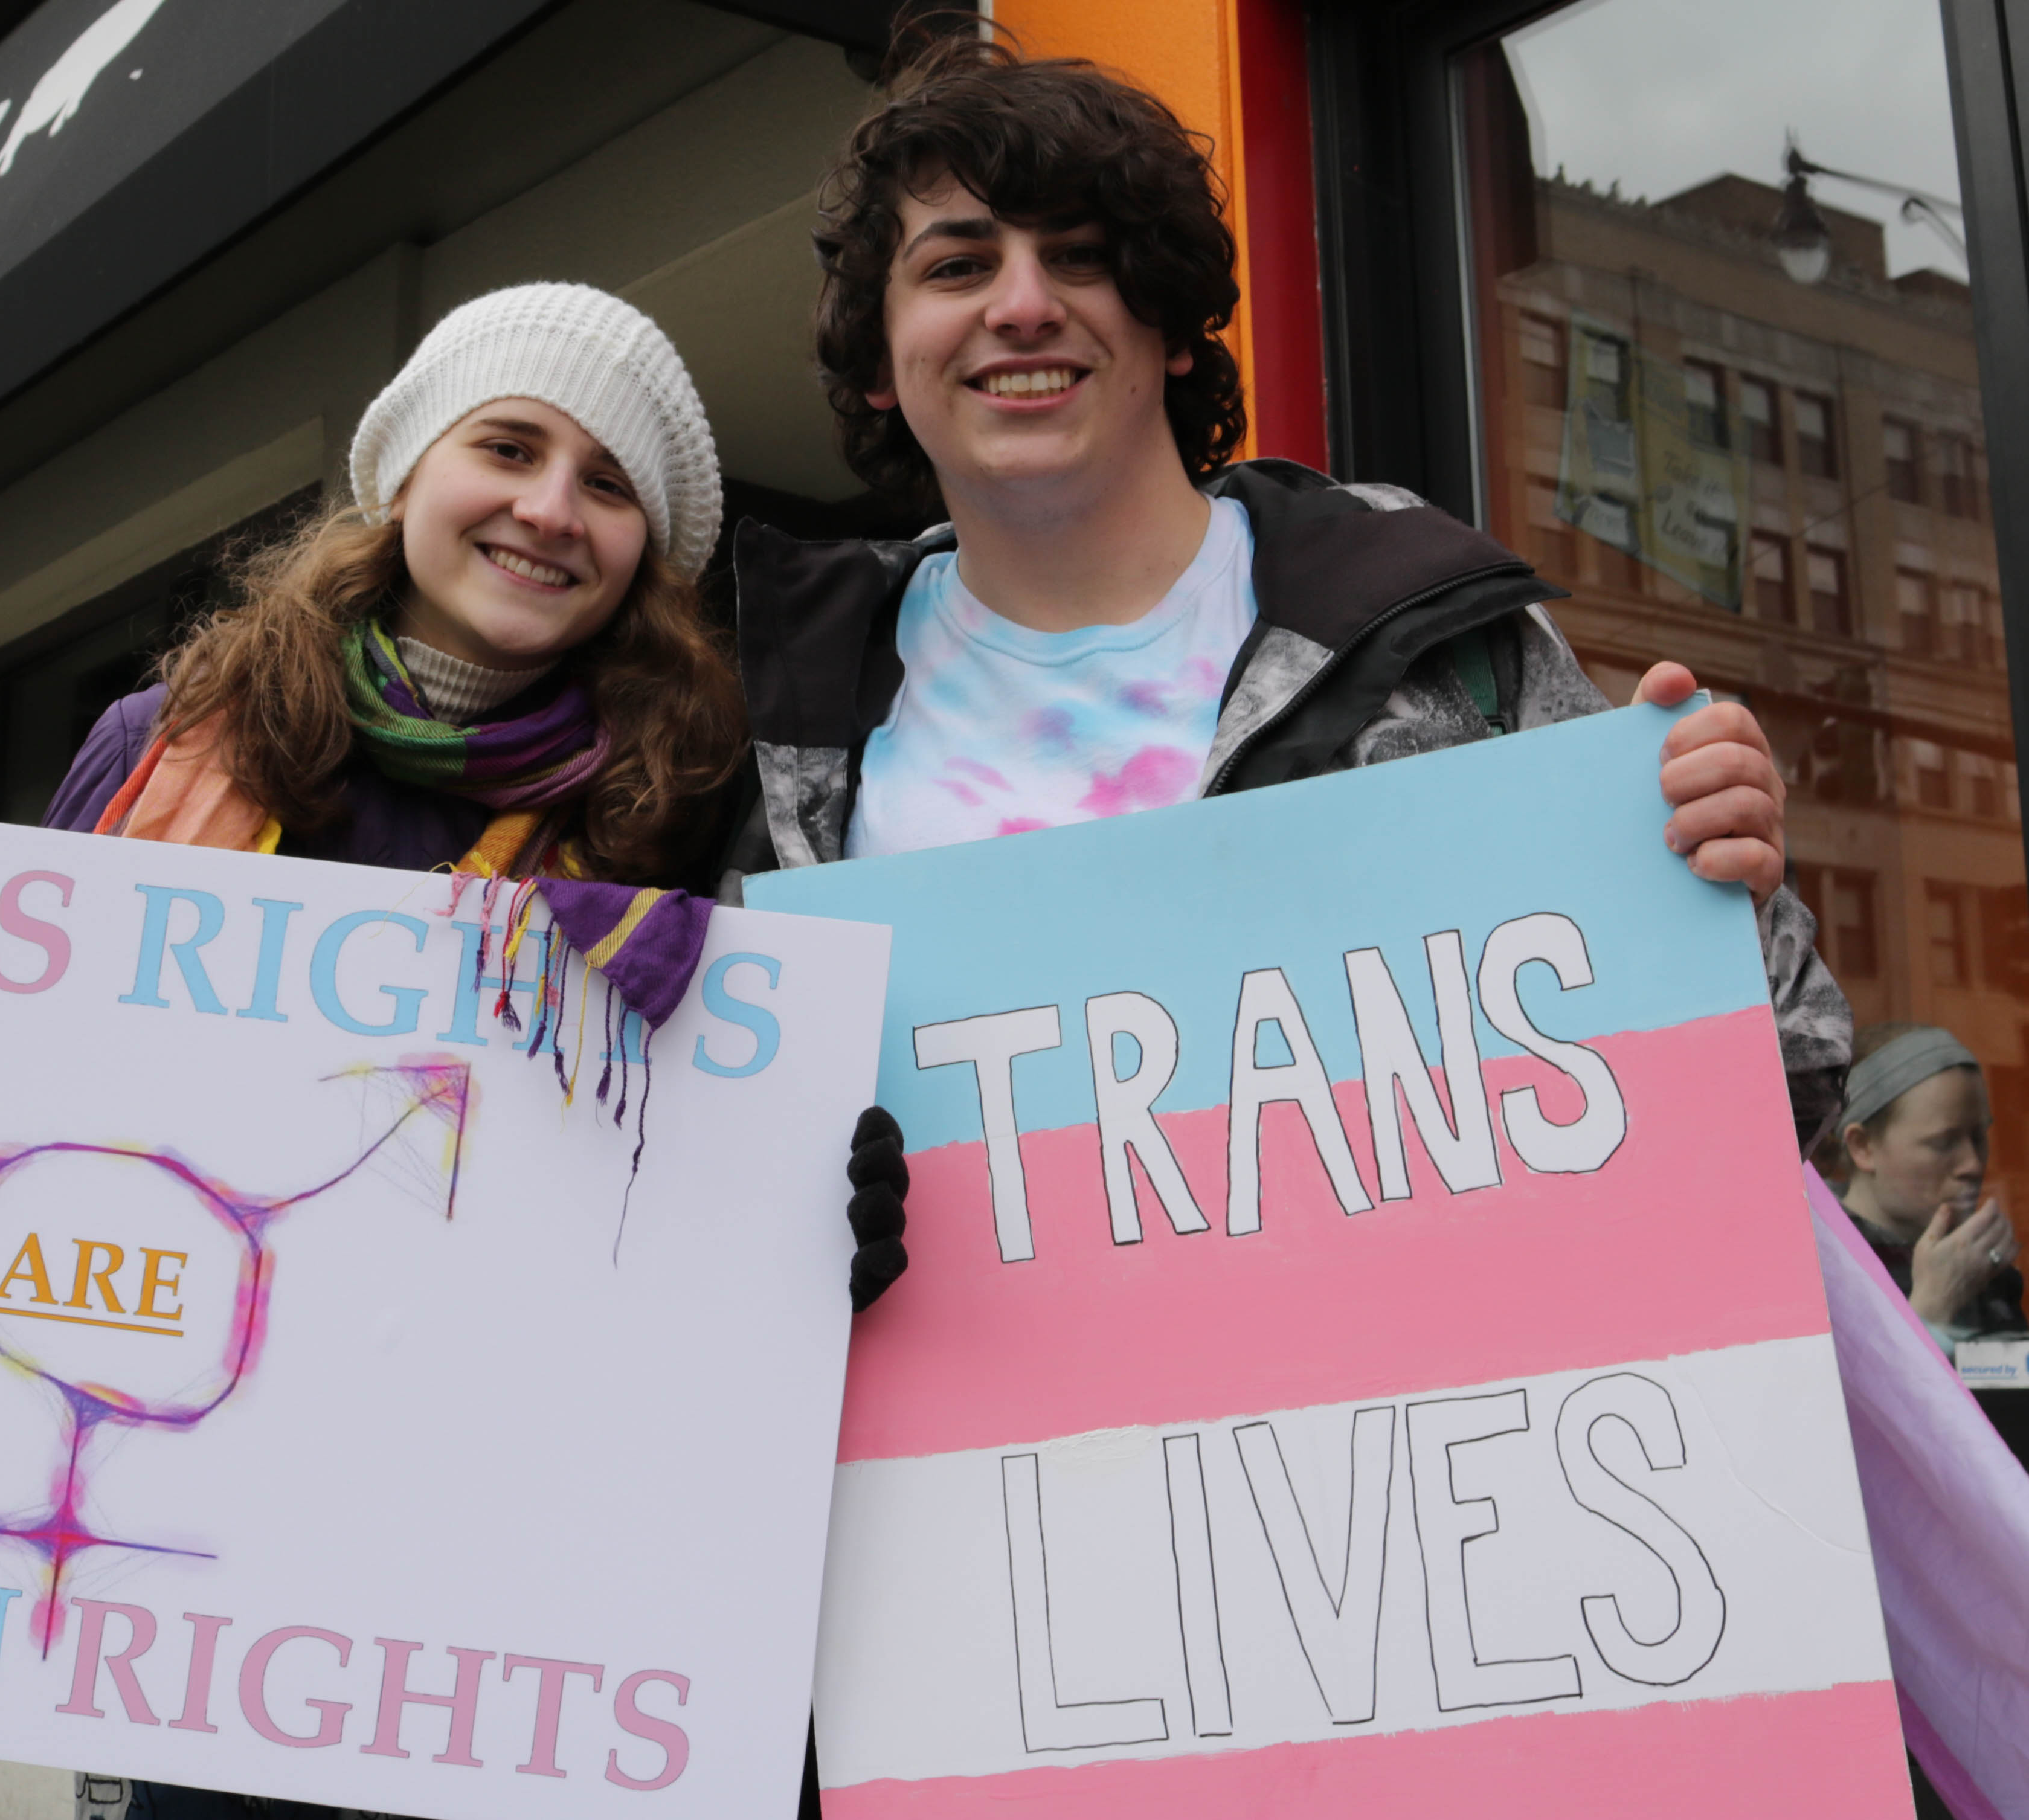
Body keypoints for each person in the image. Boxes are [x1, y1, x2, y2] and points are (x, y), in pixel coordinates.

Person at [39, 282, 907, 1820]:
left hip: (552, 1597)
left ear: (647, 552)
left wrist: (821, 1213)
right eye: (508, 445)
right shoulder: (166, 748)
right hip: (221, 1591)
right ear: (407, 473)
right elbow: (22, 1081)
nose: (548, 508)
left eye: (606, 483)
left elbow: (712, 1179)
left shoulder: (696, 809)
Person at [716, 33, 1850, 1146]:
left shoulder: (1420, 619)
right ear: (878, 362)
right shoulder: (785, 715)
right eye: (958, 266)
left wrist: (1720, 889)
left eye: (1079, 256)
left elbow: (1782, 1084)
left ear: (1166, 326)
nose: (1022, 305)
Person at [1832, 1023, 2028, 1357]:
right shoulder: (1822, 1270)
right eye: (1944, 1143)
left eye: (1978, 1137)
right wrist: (1934, 1310)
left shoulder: (1978, 1264)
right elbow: (1850, 1408)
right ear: (1863, 1147)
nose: (1973, 1164)